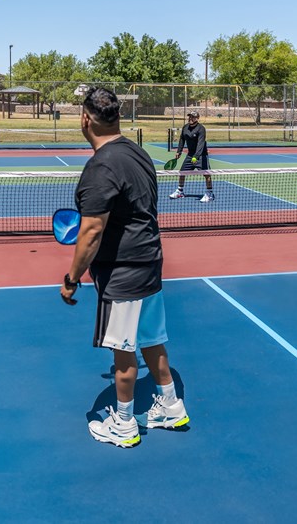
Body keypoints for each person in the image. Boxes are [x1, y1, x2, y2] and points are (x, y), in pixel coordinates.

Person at [61, 87, 189, 448]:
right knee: (152, 339)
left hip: (122, 273)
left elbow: (90, 232)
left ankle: (123, 423)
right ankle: (170, 405)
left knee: (123, 350)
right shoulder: (139, 153)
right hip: (149, 263)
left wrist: (71, 279)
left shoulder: (100, 167)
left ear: (85, 119)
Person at [169, 111, 213, 202]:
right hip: (190, 155)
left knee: (206, 174)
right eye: (189, 117)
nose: (190, 119)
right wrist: (179, 151)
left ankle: (209, 193)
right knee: (182, 173)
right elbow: (182, 139)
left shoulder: (201, 129)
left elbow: (200, 144)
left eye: (192, 117)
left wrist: (196, 157)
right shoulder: (185, 127)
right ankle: (180, 191)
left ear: (197, 118)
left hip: (201, 155)